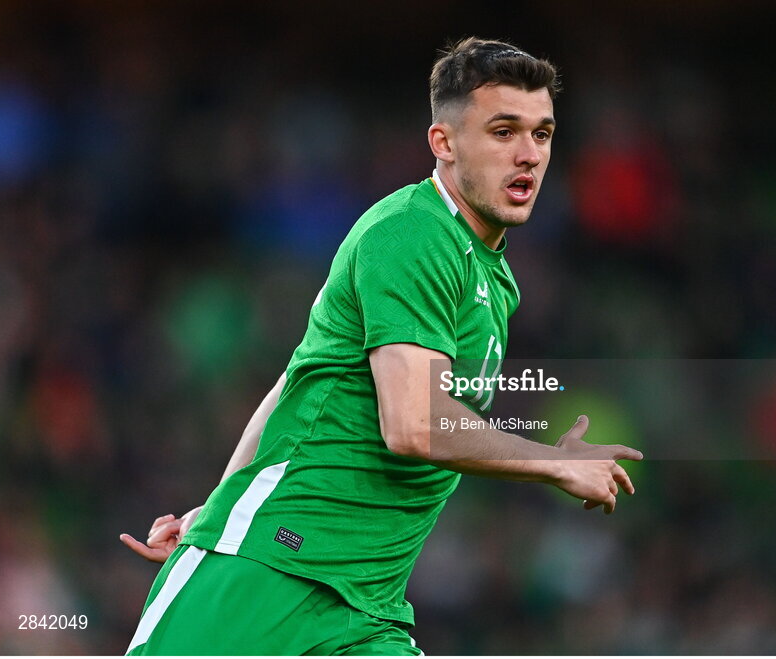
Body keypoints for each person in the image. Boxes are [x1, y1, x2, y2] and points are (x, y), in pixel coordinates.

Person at [120, 36, 643, 656]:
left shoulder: (490, 274)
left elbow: (299, 380)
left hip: (365, 607)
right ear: (443, 143)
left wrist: (213, 505)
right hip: (269, 577)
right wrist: (554, 461)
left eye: (542, 133)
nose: (529, 155)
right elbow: (413, 425)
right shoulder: (412, 233)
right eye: (504, 132)